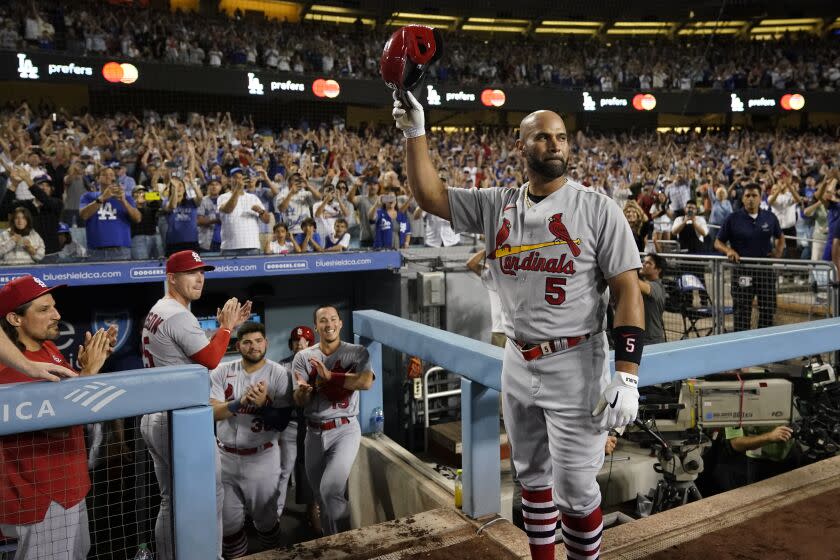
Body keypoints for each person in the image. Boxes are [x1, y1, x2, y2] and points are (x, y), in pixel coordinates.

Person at [393, 95, 644, 560]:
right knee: (531, 479)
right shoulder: (497, 205)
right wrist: (415, 130)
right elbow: (429, 196)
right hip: (517, 357)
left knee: (575, 490)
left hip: (576, 361)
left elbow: (629, 292)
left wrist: (627, 374)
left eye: (562, 137)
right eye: (543, 136)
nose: (554, 145)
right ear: (520, 145)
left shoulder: (597, 209)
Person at [141, 250, 252, 560]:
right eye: (192, 272)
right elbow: (210, 358)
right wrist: (227, 328)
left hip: (157, 413)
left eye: (202, 271)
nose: (200, 277)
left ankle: (169, 555)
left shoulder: (161, 309)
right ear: (172, 278)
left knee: (170, 499)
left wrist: (226, 328)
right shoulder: (178, 313)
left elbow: (195, 348)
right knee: (209, 493)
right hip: (178, 420)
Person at [0, 275, 112, 558]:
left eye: (54, 306)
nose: (57, 315)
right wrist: (88, 376)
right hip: (40, 498)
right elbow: (58, 429)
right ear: (15, 318)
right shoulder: (12, 371)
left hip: (67, 488)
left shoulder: (48, 349)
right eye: (43, 309)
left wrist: (83, 369)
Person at [210, 322, 294, 558]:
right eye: (247, 342)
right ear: (239, 346)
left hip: (262, 456)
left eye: (258, 341)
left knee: (266, 521)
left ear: (266, 342)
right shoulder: (221, 371)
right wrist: (240, 403)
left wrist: (264, 406)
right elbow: (212, 412)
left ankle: (274, 555)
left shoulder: (279, 373)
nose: (254, 346)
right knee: (228, 525)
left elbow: (282, 422)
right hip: (225, 456)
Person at [292, 305, 375, 536]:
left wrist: (331, 377)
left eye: (333, 319)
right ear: (316, 326)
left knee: (330, 491)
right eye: (323, 320)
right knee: (320, 495)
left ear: (340, 323)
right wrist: (305, 391)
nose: (328, 324)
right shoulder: (303, 357)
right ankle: (332, 544)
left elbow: (366, 382)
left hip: (345, 428)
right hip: (314, 432)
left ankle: (348, 544)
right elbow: (298, 399)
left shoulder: (357, 352)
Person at [714, 183, 784, 331]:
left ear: (760, 198)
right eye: (747, 196)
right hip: (742, 271)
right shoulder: (733, 218)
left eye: (754, 195)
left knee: (767, 309)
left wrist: (778, 251)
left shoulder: (770, 217)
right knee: (742, 312)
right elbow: (717, 242)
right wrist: (728, 251)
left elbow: (780, 236)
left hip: (765, 271)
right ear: (743, 199)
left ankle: (763, 347)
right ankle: (742, 348)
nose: (751, 199)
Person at [282, 326, 321, 534]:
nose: (300, 344)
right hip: (290, 424)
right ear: (291, 344)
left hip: (311, 423)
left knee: (312, 469)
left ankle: (312, 509)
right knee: (283, 471)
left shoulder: (318, 364)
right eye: (297, 342)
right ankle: (273, 515)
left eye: (305, 341)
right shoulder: (282, 367)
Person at [79, 166, 141, 261]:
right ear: (97, 179)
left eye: (111, 174)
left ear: (114, 178)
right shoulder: (87, 196)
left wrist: (124, 202)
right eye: (104, 174)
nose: (108, 177)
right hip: (95, 251)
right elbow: (84, 215)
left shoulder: (126, 197)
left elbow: (138, 218)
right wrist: (102, 198)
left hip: (121, 250)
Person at [218, 168, 270, 256]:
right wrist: (237, 190)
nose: (238, 180)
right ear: (230, 180)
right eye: (235, 177)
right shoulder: (223, 197)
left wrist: (261, 211)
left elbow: (266, 220)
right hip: (229, 248)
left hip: (251, 246)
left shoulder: (253, 198)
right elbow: (228, 209)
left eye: (241, 178)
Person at [637, 253, 667, 345]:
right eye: (643, 262)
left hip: (652, 340)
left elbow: (634, 282)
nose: (643, 264)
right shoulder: (644, 283)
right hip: (641, 337)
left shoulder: (657, 287)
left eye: (648, 263)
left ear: (658, 270)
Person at [130, 186, 163, 260]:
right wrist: (137, 204)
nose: (141, 194)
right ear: (133, 195)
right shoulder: (130, 206)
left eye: (143, 192)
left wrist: (152, 194)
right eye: (138, 192)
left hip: (154, 237)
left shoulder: (151, 207)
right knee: (141, 265)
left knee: (160, 264)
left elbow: (159, 203)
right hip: (138, 238)